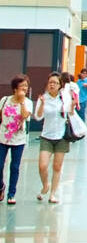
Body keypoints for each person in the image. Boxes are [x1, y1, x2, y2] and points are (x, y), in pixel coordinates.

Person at [34, 72, 74, 203]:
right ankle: (45, 185)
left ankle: (52, 194)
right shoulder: (43, 98)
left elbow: (71, 114)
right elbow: (38, 117)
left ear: (60, 86)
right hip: (47, 136)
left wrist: (73, 105)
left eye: (56, 83)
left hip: (62, 136)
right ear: (47, 84)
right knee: (42, 166)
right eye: (51, 82)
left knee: (57, 167)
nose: (53, 85)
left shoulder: (64, 98)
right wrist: (41, 104)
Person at [0, 76, 33, 205]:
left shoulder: (28, 102)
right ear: (15, 88)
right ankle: (1, 186)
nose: (24, 88)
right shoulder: (5, 100)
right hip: (3, 137)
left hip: (18, 139)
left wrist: (21, 101)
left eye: (26, 86)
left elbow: (25, 116)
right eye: (21, 86)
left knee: (14, 166)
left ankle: (11, 193)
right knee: (0, 165)